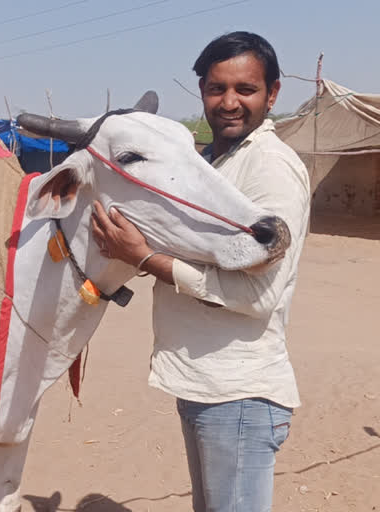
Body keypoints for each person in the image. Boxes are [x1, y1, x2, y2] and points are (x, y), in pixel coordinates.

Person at [91, 31, 310, 511]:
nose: (229, 102)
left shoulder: (270, 168)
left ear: (272, 94)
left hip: (239, 395)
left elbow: (258, 298)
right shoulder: (211, 164)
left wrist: (145, 258)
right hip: (206, 386)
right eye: (216, 89)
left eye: (245, 90)